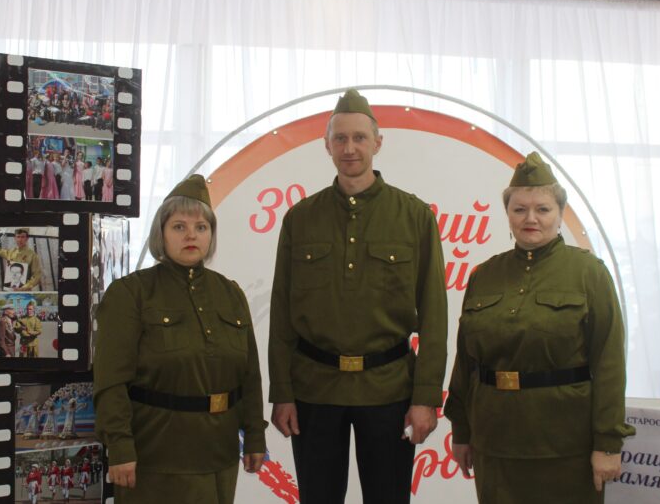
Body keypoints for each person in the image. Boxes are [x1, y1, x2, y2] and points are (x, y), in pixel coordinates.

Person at [268, 89, 448, 504]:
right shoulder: (300, 219)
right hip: (315, 390)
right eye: (341, 138)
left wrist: (426, 398)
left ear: (378, 143)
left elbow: (434, 316)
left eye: (360, 138)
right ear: (327, 145)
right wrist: (282, 392)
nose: (350, 148)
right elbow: (281, 312)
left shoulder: (414, 217)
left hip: (390, 391)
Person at [443, 152, 636, 504]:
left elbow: (609, 363)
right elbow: (466, 361)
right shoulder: (485, 276)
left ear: (559, 214)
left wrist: (608, 443)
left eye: (542, 209)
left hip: (565, 444)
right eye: (519, 209)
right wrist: (462, 429)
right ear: (508, 214)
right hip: (494, 441)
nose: (530, 218)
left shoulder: (589, 273)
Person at [94, 174, 267, 504]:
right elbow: (110, 380)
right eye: (179, 226)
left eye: (201, 227)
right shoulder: (131, 294)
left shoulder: (230, 293)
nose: (191, 235)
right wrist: (119, 446)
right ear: (161, 233)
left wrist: (255, 435)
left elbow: (250, 376)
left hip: (220, 455)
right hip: (156, 458)